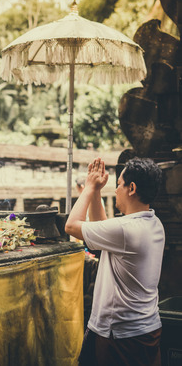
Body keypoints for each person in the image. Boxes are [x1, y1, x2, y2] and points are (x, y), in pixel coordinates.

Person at [65, 157, 165, 366]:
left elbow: (72, 226)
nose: (116, 190)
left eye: (119, 185)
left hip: (121, 334)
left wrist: (89, 187)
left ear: (132, 188)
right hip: (145, 327)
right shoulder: (153, 223)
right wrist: (96, 193)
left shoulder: (126, 230)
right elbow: (102, 230)